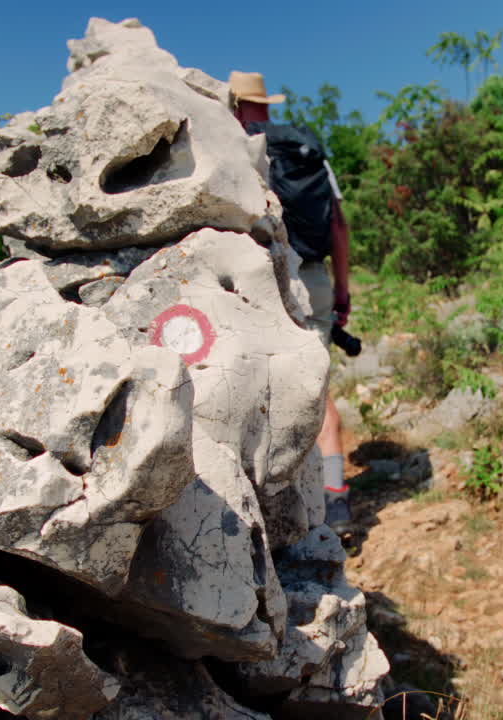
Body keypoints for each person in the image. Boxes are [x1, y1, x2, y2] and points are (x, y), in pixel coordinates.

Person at [229, 70, 353, 533]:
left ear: (235, 105)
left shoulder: (236, 149)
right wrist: (341, 288)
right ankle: (336, 499)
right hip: (316, 277)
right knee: (316, 389)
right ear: (266, 104)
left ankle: (270, 507)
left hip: (266, 279)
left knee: (258, 389)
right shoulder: (307, 151)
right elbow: (338, 224)